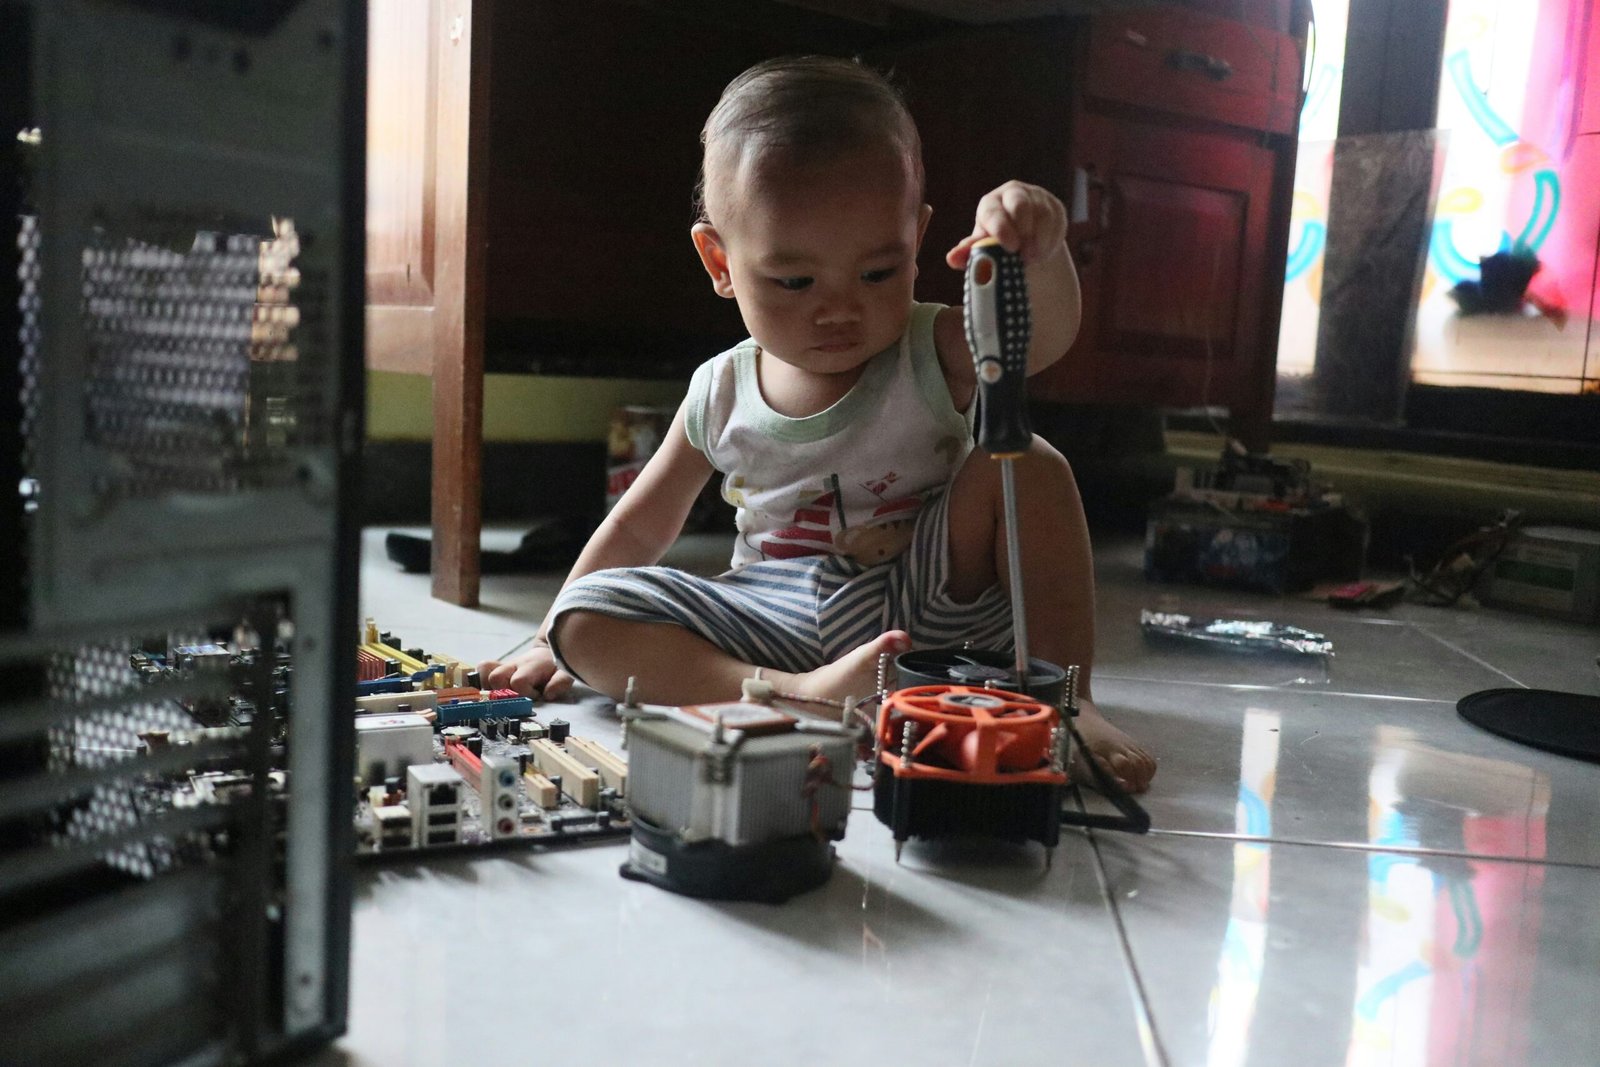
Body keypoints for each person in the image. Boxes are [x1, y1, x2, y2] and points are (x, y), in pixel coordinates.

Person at [481, 56, 1156, 793]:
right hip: (772, 613)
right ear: (720, 261)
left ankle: (1067, 699)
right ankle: (793, 692)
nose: (840, 309)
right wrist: (551, 638)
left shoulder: (932, 349)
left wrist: (1042, 253)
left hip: (927, 595)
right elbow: (639, 529)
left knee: (1027, 459)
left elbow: (1042, 341)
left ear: (917, 238)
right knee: (587, 616)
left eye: (877, 272)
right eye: (794, 281)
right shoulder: (720, 390)